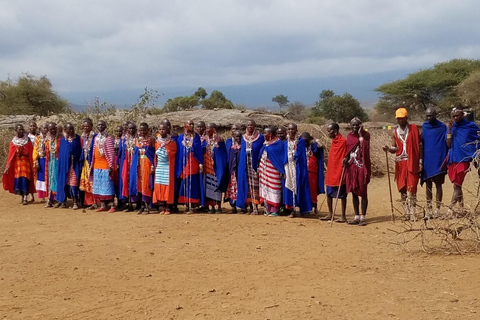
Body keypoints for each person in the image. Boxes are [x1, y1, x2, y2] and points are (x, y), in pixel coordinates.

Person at [383, 108, 421, 221]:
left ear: (406, 118)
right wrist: (389, 149)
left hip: (412, 161)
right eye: (398, 119)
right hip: (400, 163)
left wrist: (420, 161)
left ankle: (413, 212)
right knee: (402, 188)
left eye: (402, 118)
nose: (400, 120)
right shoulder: (394, 132)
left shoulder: (413, 129)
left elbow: (419, 146)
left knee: (412, 187)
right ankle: (406, 212)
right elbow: (395, 148)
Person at [446, 107, 480, 213]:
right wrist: (450, 130)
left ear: (462, 115)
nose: (455, 118)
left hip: (464, 159)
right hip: (453, 158)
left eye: (457, 115)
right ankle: (461, 208)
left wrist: (475, 154)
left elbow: (478, 140)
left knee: (457, 184)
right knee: (457, 185)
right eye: (453, 116)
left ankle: (450, 208)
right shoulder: (452, 127)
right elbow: (448, 144)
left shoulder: (471, 126)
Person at [421, 107, 448, 218]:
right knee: (428, 185)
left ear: (435, 115)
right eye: (427, 116)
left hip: (439, 159)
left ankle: (437, 209)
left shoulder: (442, 127)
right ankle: (429, 210)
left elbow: (447, 141)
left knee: (438, 185)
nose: (428, 118)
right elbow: (422, 142)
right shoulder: (425, 127)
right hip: (427, 160)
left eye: (430, 115)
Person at [344, 118, 371, 226]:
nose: (355, 127)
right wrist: (345, 158)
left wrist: (360, 135)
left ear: (361, 126)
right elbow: (348, 151)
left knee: (363, 192)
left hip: (362, 167)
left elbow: (365, 148)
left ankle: (363, 217)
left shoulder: (366, 135)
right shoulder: (349, 136)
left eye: (357, 125)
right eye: (353, 125)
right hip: (351, 166)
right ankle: (356, 217)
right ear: (350, 126)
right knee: (354, 191)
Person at [283, 123, 312, 217]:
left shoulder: (300, 142)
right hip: (288, 167)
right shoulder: (285, 142)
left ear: (296, 130)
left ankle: (303, 209)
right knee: (290, 186)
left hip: (298, 167)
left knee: (300, 186)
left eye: (292, 129)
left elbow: (302, 157)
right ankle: (292, 209)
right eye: (289, 129)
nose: (291, 131)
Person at [3, 124, 35, 205]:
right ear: (16, 131)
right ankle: (22, 196)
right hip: (17, 164)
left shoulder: (27, 140)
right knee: (19, 179)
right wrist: (7, 166)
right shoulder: (13, 142)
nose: (21, 131)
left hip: (26, 163)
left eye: (22, 129)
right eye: (19, 129)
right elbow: (11, 155)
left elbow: (31, 152)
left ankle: (25, 197)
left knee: (25, 179)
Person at [321, 123, 347, 222]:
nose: (328, 133)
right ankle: (330, 213)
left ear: (335, 131)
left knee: (342, 194)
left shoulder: (343, 141)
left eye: (329, 131)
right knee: (329, 192)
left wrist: (345, 160)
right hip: (331, 170)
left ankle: (343, 216)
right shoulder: (333, 141)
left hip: (340, 169)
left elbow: (346, 155)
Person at [237, 120, 264, 214]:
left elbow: (260, 150)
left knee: (255, 185)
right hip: (244, 165)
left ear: (255, 126)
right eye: (248, 125)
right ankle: (250, 207)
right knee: (246, 185)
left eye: (251, 125)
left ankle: (255, 206)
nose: (249, 127)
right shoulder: (243, 137)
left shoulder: (260, 137)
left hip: (254, 164)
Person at [176, 120, 204, 213]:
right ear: (185, 125)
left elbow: (199, 150)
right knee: (185, 183)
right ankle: (187, 205)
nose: (191, 125)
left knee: (193, 183)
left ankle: (193, 205)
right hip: (183, 163)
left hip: (194, 162)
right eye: (189, 124)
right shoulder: (180, 138)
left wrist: (200, 163)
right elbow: (179, 152)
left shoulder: (196, 137)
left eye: (193, 124)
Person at [129, 122, 156, 214]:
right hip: (139, 164)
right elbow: (135, 154)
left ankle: (147, 206)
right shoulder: (137, 141)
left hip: (148, 164)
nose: (142, 132)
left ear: (148, 130)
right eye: (141, 130)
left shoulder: (151, 140)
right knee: (139, 184)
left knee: (146, 184)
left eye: (144, 130)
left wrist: (153, 165)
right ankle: (141, 205)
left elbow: (154, 154)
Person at [258, 127, 285, 216]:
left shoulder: (279, 144)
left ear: (270, 134)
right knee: (265, 188)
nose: (264, 134)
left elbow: (280, 157)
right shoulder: (265, 143)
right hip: (264, 170)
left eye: (265, 133)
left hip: (274, 170)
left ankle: (275, 210)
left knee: (274, 188)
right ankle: (267, 209)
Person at [55, 123, 82, 210]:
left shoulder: (77, 139)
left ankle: (75, 202)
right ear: (65, 130)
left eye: (71, 129)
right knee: (64, 182)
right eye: (68, 129)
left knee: (73, 183)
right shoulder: (63, 140)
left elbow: (78, 152)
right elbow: (62, 154)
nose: (70, 131)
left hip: (74, 166)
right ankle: (63, 201)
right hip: (64, 166)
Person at [202, 123, 228, 213]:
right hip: (207, 166)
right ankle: (211, 206)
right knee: (208, 186)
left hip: (216, 167)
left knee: (216, 185)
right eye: (206, 128)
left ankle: (218, 206)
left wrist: (220, 163)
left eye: (208, 128)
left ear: (213, 129)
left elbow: (222, 153)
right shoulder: (204, 139)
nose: (206, 129)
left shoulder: (219, 140)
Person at [91, 120, 116, 212]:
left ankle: (112, 205)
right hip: (97, 165)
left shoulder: (108, 138)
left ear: (105, 126)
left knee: (108, 185)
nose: (100, 126)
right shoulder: (96, 137)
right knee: (99, 186)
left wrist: (111, 165)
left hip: (106, 164)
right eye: (98, 125)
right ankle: (103, 205)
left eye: (102, 125)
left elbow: (111, 153)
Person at [153, 123, 177, 215]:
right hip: (159, 167)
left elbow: (172, 153)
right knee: (159, 186)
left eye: (163, 129)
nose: (162, 131)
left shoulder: (172, 142)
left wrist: (166, 151)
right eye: (160, 129)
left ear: (167, 130)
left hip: (168, 166)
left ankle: (168, 207)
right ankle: (162, 206)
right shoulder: (156, 142)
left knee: (167, 186)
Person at [301, 132, 325, 215]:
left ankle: (315, 207)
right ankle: (305, 209)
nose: (305, 143)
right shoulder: (300, 146)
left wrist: (316, 140)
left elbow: (322, 146)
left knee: (313, 191)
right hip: (303, 172)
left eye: (306, 141)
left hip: (312, 172)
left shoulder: (314, 146)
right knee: (304, 190)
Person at [119, 123, 137, 212]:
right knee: (126, 181)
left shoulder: (138, 139)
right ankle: (129, 203)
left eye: (133, 128)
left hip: (135, 163)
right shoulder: (125, 140)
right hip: (127, 163)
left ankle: (138, 203)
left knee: (135, 182)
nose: (131, 130)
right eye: (129, 128)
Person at [79, 118, 96, 208]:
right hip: (85, 162)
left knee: (93, 182)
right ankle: (88, 202)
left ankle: (95, 202)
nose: (85, 128)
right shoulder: (82, 137)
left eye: (87, 126)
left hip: (92, 162)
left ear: (91, 127)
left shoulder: (95, 137)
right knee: (86, 182)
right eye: (84, 126)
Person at [224, 130, 242, 213]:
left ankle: (242, 206)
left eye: (239, 136)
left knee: (240, 187)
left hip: (240, 171)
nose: (238, 138)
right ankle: (233, 207)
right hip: (232, 171)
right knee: (232, 189)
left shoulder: (243, 146)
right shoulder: (230, 146)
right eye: (236, 136)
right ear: (233, 137)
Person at [45, 122, 61, 207]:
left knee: (57, 179)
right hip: (50, 161)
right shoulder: (47, 138)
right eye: (50, 129)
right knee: (50, 180)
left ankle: (58, 198)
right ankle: (50, 198)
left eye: (53, 129)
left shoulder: (60, 138)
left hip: (58, 162)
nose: (52, 130)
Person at [32, 123, 48, 201]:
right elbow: (35, 150)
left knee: (49, 177)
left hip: (49, 160)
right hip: (41, 159)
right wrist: (36, 161)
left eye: (46, 128)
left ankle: (51, 196)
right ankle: (42, 196)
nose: (45, 129)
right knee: (41, 177)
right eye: (43, 128)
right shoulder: (38, 138)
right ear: (40, 129)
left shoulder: (50, 137)